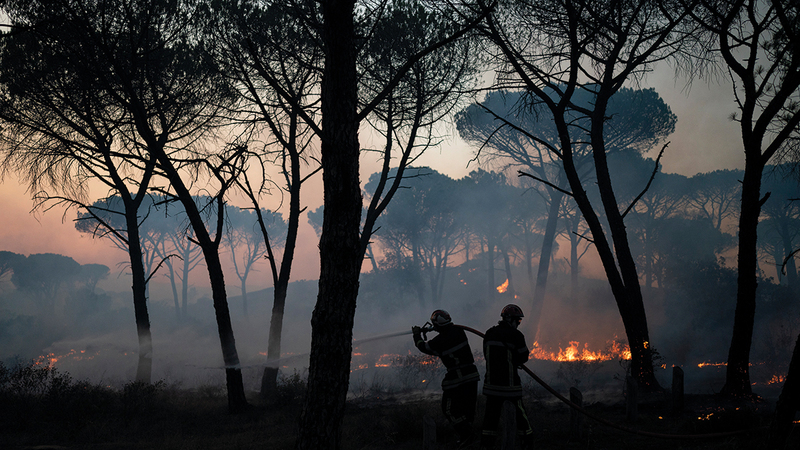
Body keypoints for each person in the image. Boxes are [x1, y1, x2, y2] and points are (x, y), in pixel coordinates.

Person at [413, 309, 480, 447]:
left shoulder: (441, 340)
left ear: (437, 325)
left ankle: (467, 434)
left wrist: (416, 335)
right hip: (472, 375)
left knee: (449, 409)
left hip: (458, 378)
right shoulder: (459, 331)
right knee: (467, 410)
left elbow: (424, 347)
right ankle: (469, 440)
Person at [479, 304, 534, 449]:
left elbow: (487, 355)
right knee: (520, 414)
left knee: (490, 417)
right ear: (511, 320)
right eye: (518, 320)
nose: (519, 323)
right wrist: (515, 360)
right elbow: (524, 357)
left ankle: (487, 444)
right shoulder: (516, 335)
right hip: (510, 385)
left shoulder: (489, 333)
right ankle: (527, 441)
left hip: (491, 385)